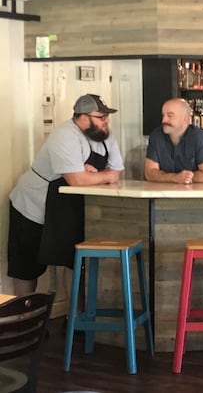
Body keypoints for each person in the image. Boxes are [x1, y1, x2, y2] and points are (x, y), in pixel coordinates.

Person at [8, 94, 123, 296]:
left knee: (72, 262)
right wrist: (102, 175)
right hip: (32, 206)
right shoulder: (65, 135)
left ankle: (73, 321)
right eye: (101, 117)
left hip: (65, 208)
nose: (107, 121)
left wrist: (97, 175)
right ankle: (22, 322)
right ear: (83, 117)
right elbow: (76, 180)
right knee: (27, 267)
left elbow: (116, 173)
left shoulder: (105, 136)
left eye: (106, 117)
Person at [144, 98, 203, 184]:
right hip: (163, 195)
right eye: (163, 115)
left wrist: (184, 178)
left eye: (170, 116)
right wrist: (175, 178)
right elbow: (149, 173)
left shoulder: (198, 137)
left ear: (185, 120)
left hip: (194, 195)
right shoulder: (156, 136)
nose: (164, 120)